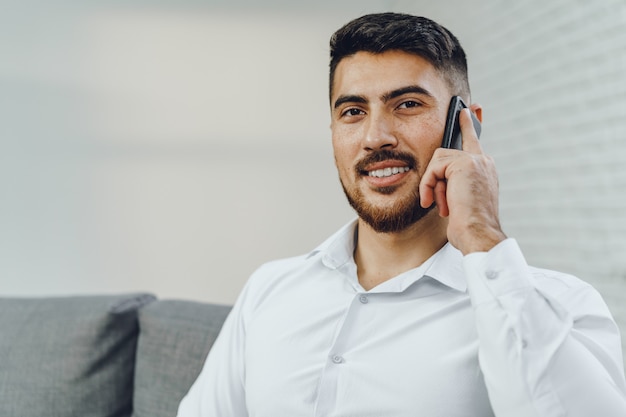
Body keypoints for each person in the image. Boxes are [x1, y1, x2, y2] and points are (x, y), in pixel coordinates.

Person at [177, 12, 626, 416]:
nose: (375, 137)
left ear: (467, 126)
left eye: (407, 104)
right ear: (334, 132)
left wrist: (480, 233)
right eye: (353, 111)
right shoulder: (269, 289)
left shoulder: (558, 305)